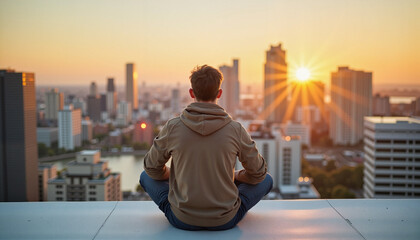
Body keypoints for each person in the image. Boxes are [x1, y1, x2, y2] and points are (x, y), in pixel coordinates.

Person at [139, 65, 273, 231]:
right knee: (267, 179)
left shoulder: (173, 127)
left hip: (181, 218)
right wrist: (234, 176)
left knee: (145, 176)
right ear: (219, 93)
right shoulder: (235, 129)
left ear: (191, 93)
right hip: (225, 220)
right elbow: (258, 174)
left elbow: (152, 169)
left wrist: (173, 175)